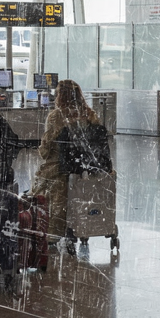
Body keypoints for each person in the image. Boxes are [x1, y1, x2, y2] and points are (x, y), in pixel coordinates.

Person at [30, 80, 110, 239]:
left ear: (60, 96)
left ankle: (52, 234)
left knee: (36, 194)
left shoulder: (55, 117)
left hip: (59, 171)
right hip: (86, 171)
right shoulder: (91, 115)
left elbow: (45, 152)